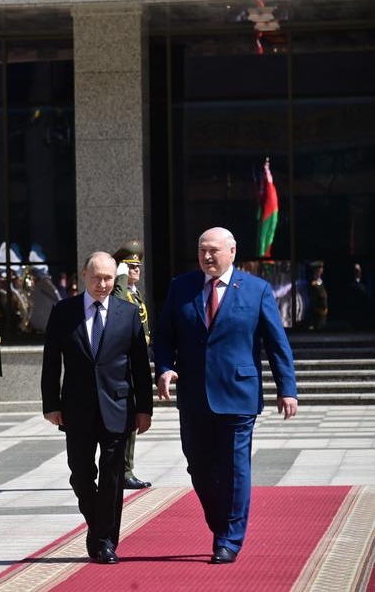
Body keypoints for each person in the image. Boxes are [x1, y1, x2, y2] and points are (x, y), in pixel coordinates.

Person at [155, 226, 298, 565]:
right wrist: (164, 367)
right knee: (199, 467)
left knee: (235, 468)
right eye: (202, 250)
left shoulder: (257, 290)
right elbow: (163, 336)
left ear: (232, 252)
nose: (207, 256)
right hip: (194, 394)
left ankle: (230, 539)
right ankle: (221, 522)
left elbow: (277, 343)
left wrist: (286, 389)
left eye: (214, 250)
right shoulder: (181, 288)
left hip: (238, 393)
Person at [41, 251, 152, 565]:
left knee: (113, 476)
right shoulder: (64, 312)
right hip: (76, 408)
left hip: (118, 406)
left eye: (107, 278)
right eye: (97, 278)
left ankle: (104, 542)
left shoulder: (128, 313)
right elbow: (51, 362)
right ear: (84, 277)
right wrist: (51, 404)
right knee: (80, 474)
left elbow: (140, 367)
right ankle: (99, 527)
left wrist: (145, 409)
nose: (103, 284)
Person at [112, 241, 152, 490]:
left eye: (137, 266)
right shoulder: (122, 292)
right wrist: (120, 277)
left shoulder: (135, 294)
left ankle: (127, 468)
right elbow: (116, 305)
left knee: (133, 417)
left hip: (137, 360)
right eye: (130, 266)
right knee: (126, 418)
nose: (136, 270)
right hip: (125, 363)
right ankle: (123, 470)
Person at [307, 261, 327, 330]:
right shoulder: (314, 284)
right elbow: (313, 301)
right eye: (320, 268)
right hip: (317, 315)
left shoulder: (320, 282)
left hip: (323, 314)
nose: (321, 270)